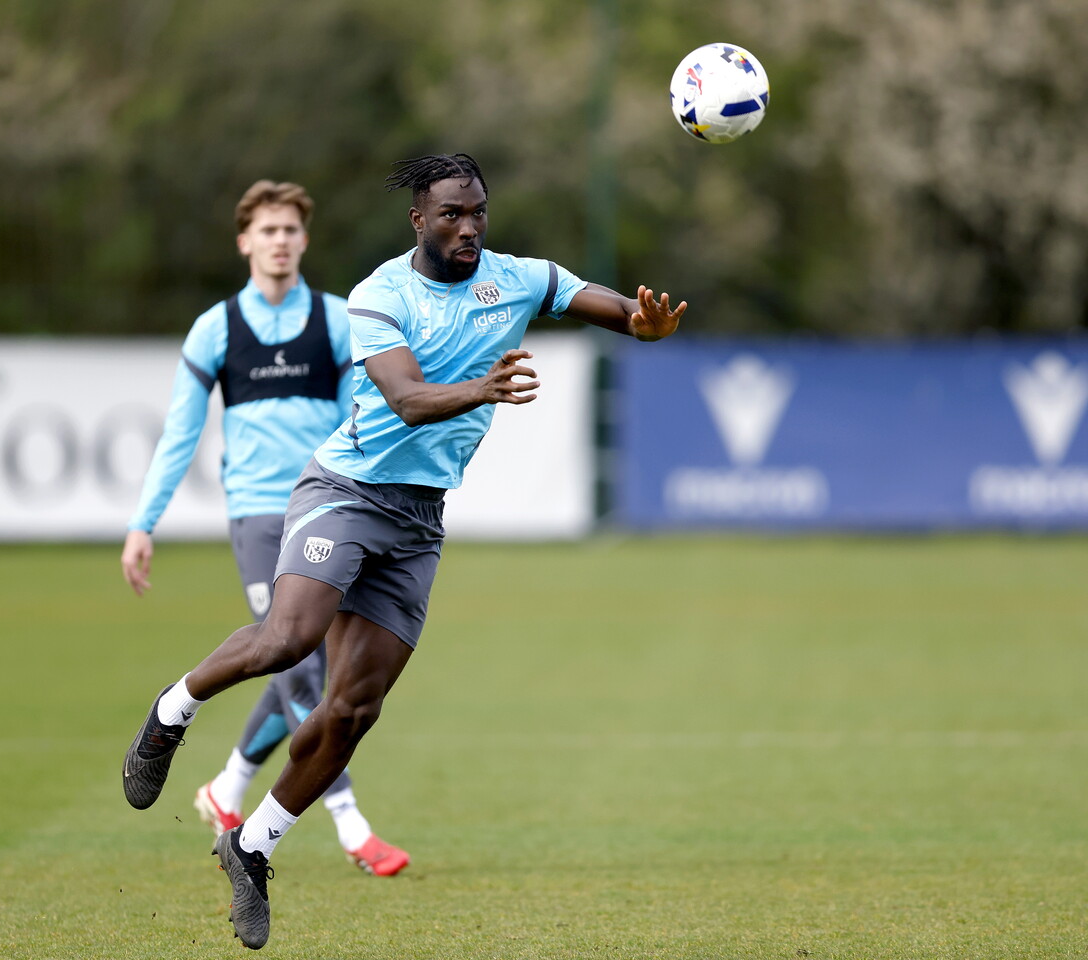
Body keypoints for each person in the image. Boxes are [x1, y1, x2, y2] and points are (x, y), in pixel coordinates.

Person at [120, 154, 686, 950]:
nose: (468, 228)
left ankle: (252, 848)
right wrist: (485, 390)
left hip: (418, 521)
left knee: (353, 709)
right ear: (418, 219)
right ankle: (169, 715)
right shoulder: (380, 294)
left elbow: (612, 306)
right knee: (289, 639)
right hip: (346, 492)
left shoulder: (517, 277)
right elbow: (409, 401)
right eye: (452, 214)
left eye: (479, 213)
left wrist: (644, 323)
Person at [120, 178, 410, 878]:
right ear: (246, 241)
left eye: (290, 230)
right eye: (268, 230)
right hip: (256, 515)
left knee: (311, 663)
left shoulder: (342, 321)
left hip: (332, 510)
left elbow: (366, 420)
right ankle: (351, 825)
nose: (280, 241)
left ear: (304, 241)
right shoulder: (216, 329)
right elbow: (180, 434)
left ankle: (226, 791)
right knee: (295, 661)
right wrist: (142, 523)